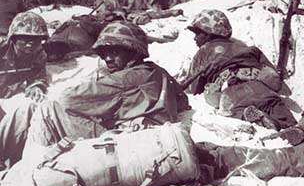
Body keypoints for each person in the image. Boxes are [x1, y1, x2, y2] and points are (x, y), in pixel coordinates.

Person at [26, 21, 187, 148]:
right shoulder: (156, 71)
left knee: (48, 109)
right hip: (151, 141)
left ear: (133, 51)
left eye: (115, 52)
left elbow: (67, 99)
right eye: (104, 53)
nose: (107, 58)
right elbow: (182, 101)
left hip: (126, 146)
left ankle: (30, 168)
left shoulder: (124, 79)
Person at [183, 9, 295, 130]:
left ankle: (250, 116)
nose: (195, 38)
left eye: (197, 34)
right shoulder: (249, 48)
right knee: (278, 111)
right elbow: (273, 76)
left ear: (209, 33)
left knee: (237, 111)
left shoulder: (203, 51)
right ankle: (297, 126)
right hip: (260, 87)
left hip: (231, 91)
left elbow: (194, 87)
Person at [0, 11, 49, 101]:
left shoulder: (39, 54)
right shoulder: (2, 50)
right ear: (13, 38)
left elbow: (39, 77)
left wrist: (36, 86)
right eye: (25, 37)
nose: (31, 42)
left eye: (37, 38)